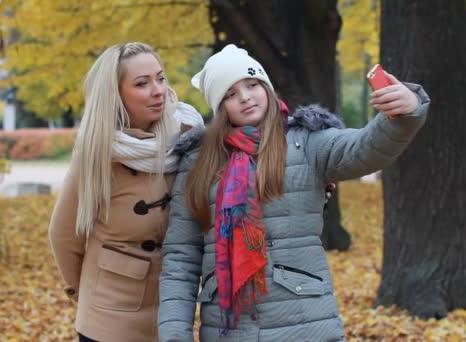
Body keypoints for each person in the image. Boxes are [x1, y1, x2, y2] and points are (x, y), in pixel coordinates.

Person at [158, 44, 430, 341]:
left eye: (252, 85)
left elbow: (365, 148)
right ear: (218, 106)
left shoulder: (305, 140)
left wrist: (404, 111)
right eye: (230, 93)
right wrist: (174, 335)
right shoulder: (196, 161)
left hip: (306, 323)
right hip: (230, 330)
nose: (245, 97)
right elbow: (181, 259)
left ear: (266, 87)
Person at [48, 42, 204, 342]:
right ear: (116, 95)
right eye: (142, 84)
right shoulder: (98, 152)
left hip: (173, 313)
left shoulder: (188, 137)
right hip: (108, 315)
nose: (158, 90)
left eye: (160, 78)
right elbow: (64, 234)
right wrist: (82, 292)